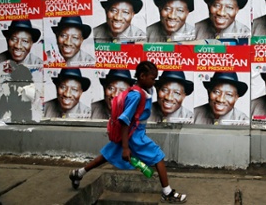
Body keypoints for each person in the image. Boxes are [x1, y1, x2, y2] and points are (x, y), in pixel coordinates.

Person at [69, 61, 187, 203]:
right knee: (158, 156)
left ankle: (79, 173)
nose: (154, 81)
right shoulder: (136, 96)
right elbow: (125, 121)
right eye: (152, 78)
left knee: (108, 155)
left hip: (131, 133)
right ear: (142, 76)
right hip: (134, 135)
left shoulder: (141, 91)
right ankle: (167, 192)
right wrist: (126, 147)